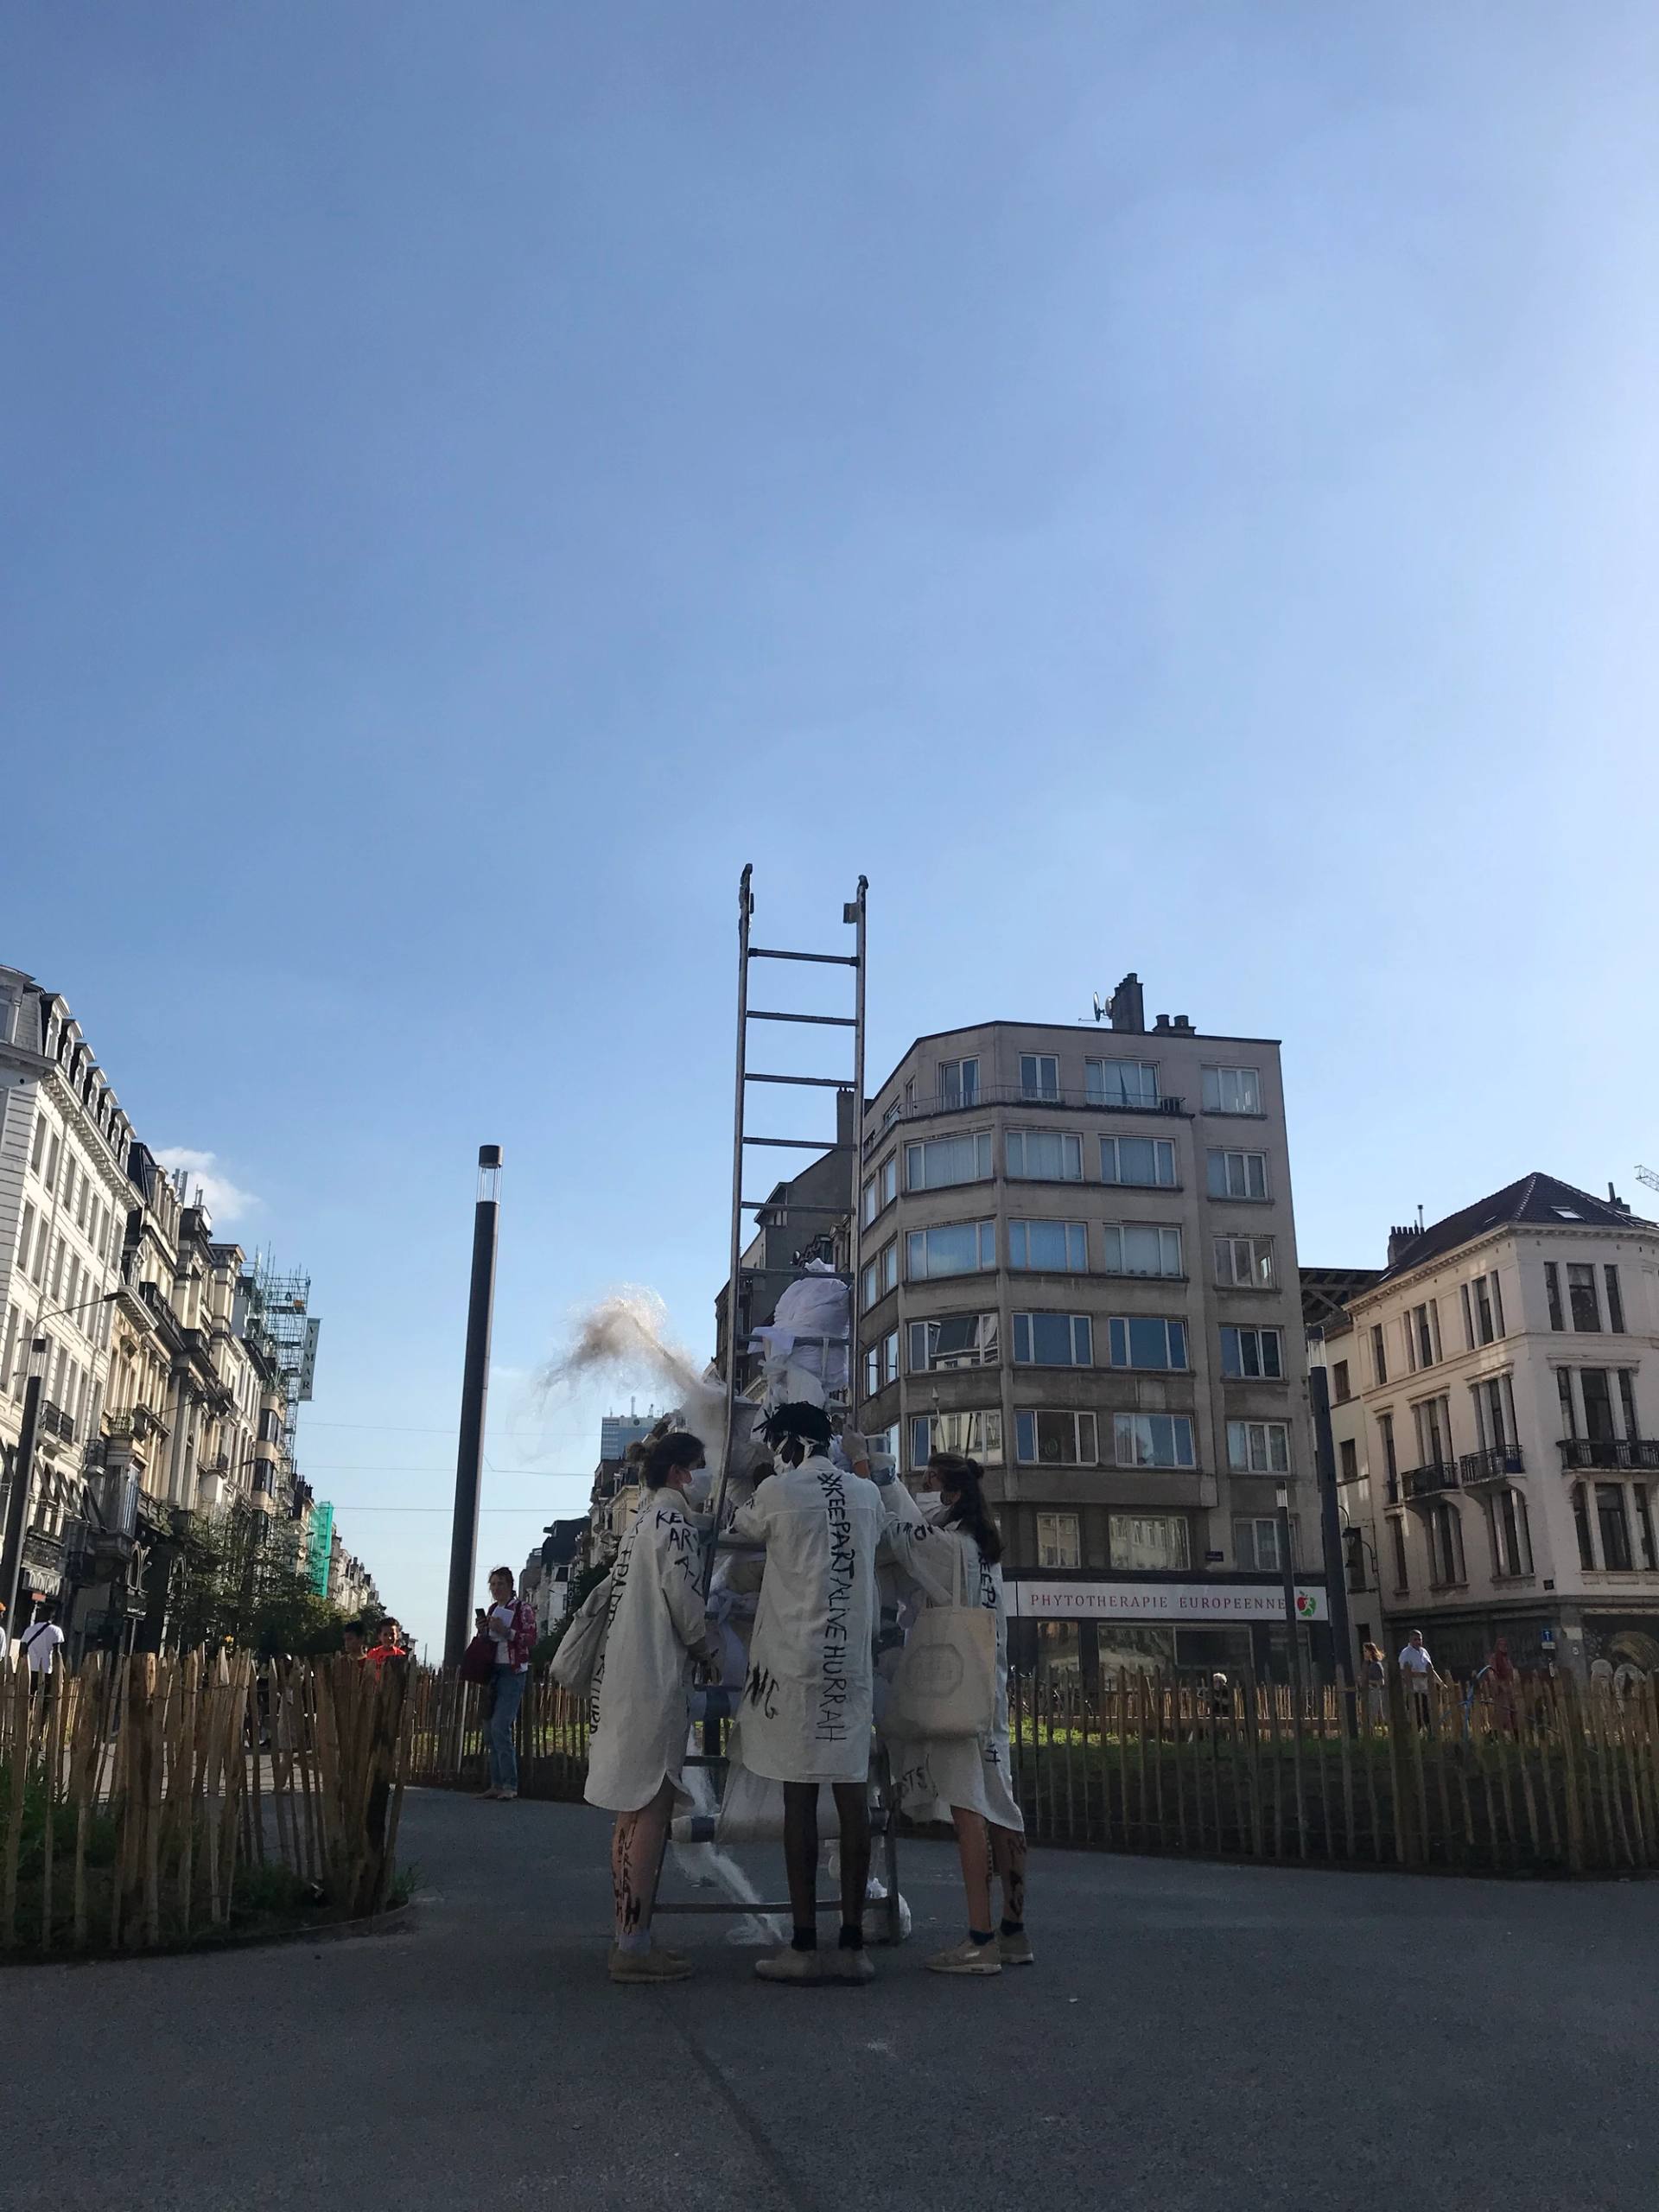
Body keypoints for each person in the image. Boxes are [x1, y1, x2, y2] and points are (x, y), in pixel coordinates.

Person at [728, 1400, 888, 1986]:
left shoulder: (779, 1491)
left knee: (799, 1798)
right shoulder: (864, 1496)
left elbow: (740, 1526)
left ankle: (802, 1942)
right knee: (852, 1797)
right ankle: (851, 1945)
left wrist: (768, 1480)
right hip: (851, 1665)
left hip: (796, 1663)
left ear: (789, 1443)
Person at [882, 1451, 1030, 1976]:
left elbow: (902, 1537)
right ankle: (1013, 1933)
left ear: (949, 1494)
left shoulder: (952, 1547)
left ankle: (978, 1939)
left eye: (928, 1483)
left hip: (960, 1690)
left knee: (969, 1809)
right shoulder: (988, 1555)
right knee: (1002, 1806)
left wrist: (877, 1477)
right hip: (992, 1689)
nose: (920, 1490)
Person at [585, 1429, 722, 1984]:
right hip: (656, 1680)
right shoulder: (673, 1522)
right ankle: (635, 1945)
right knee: (652, 1808)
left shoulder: (644, 1519)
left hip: (623, 1677)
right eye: (702, 1467)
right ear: (681, 1474)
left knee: (629, 1811)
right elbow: (686, 1603)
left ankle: (626, 1931)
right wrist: (711, 1648)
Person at [480, 1567, 535, 1802]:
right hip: (494, 1670)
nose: (496, 1589)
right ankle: (497, 1782)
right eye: (493, 1584)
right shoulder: (494, 1609)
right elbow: (488, 1641)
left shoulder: (522, 1609)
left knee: (501, 1726)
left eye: (500, 1584)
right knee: (490, 1729)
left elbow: (531, 1638)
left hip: (513, 1671)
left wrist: (507, 1632)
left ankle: (510, 1784)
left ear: (510, 1585)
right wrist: (484, 1631)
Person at [21, 1602, 65, 1696]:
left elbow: (22, 1651)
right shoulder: (56, 1631)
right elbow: (57, 1653)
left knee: (28, 1697)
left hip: (30, 1670)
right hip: (46, 1670)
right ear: (53, 1617)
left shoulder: (29, 1630)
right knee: (44, 1699)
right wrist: (62, 1669)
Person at [1398, 1630, 1439, 1727]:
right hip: (1414, 1690)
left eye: (1419, 1639)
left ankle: (1429, 1734)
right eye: (1415, 1639)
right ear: (1410, 1640)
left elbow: (1431, 1670)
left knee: (1428, 1713)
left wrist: (1440, 1683)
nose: (1418, 1642)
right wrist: (1419, 1674)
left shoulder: (1424, 1652)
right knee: (1416, 1715)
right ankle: (1417, 1734)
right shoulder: (1406, 1653)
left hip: (1426, 1689)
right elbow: (1402, 1672)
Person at [1361, 1641, 1387, 1729]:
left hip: (1376, 1691)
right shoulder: (1368, 1665)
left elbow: (1381, 1682)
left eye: (1365, 1651)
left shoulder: (1376, 1665)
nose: (1364, 1653)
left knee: (1373, 1712)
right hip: (1370, 1691)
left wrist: (1369, 1681)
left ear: (1371, 1652)